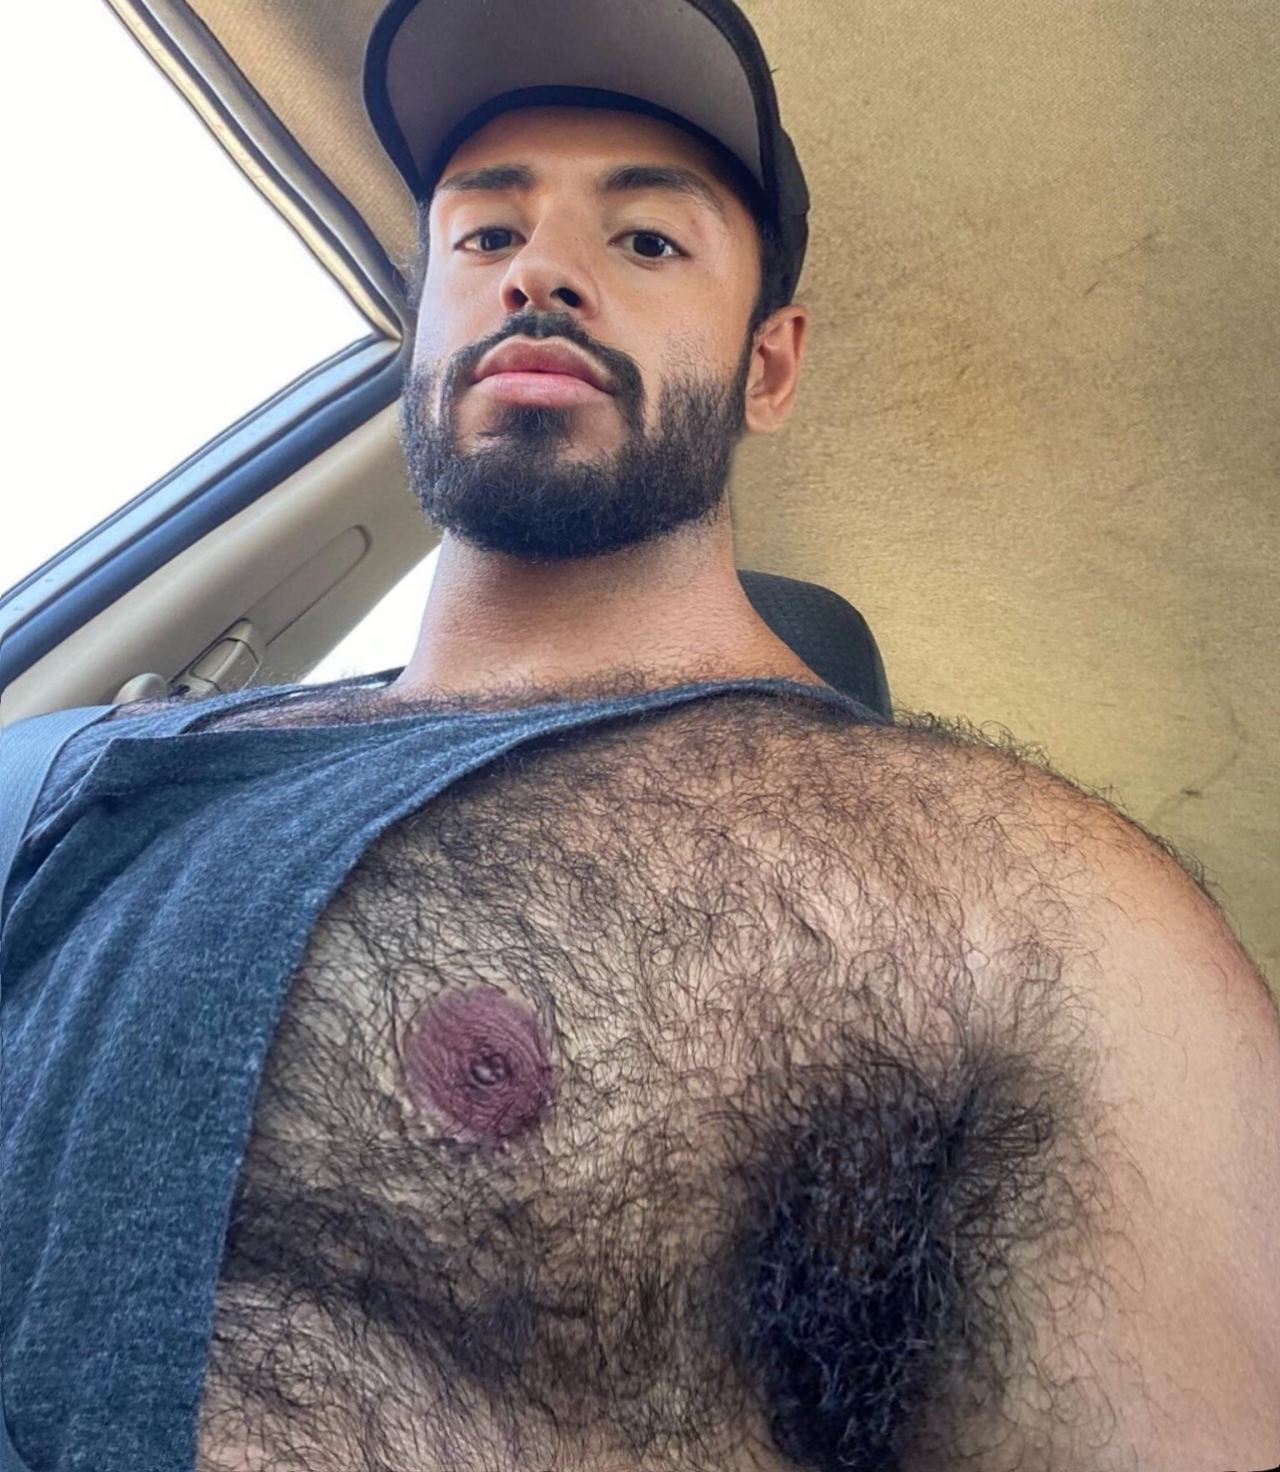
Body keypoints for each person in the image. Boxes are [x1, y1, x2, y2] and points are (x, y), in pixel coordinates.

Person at [2, 3, 1277, 1471]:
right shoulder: (80, 762)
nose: (538, 270)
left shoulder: (1032, 903)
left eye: (648, 240)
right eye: (485, 235)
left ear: (770, 367)